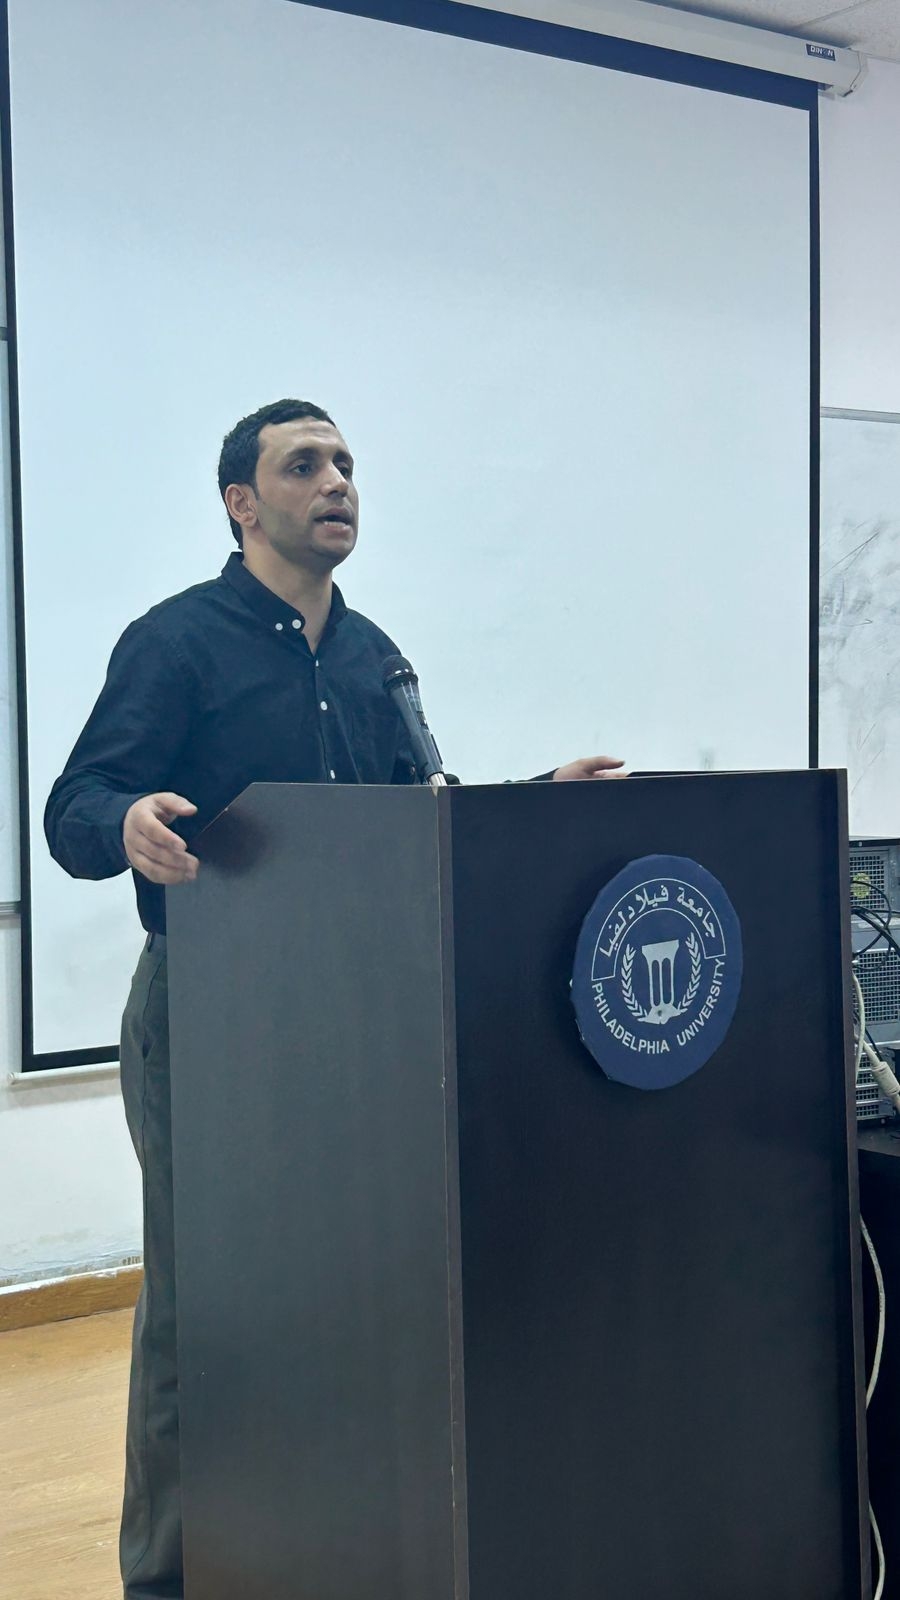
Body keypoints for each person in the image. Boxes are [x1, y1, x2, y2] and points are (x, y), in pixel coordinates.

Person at [44, 397, 624, 1600]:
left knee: (341, 1288)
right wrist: (126, 819)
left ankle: (318, 1543)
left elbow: (420, 821)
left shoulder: (374, 657)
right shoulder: (177, 643)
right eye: (304, 465)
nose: (336, 482)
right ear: (242, 503)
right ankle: (168, 1577)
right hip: (210, 1017)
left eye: (346, 463)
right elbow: (75, 805)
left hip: (356, 1023)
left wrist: (535, 799)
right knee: (202, 1307)